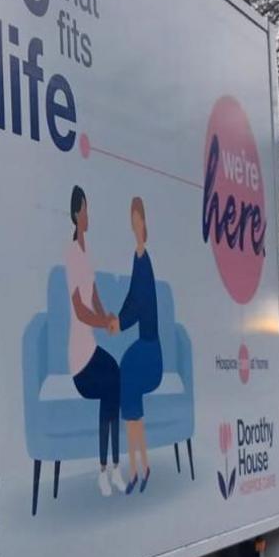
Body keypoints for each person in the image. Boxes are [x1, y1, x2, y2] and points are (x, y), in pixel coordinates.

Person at [64, 186, 126, 497]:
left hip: (91, 347)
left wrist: (108, 317)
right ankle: (104, 470)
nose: (88, 215)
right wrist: (101, 321)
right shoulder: (73, 254)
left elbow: (95, 296)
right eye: (85, 210)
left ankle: (114, 466)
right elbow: (78, 308)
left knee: (115, 377)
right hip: (80, 357)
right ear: (76, 214)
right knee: (109, 384)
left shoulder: (86, 254)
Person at [117, 197, 163, 494]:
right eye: (133, 221)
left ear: (144, 224)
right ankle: (139, 465)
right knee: (127, 388)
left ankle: (140, 465)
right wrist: (117, 321)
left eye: (138, 221)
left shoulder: (144, 260)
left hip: (150, 350)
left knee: (127, 378)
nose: (136, 226)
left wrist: (119, 323)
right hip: (143, 347)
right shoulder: (138, 257)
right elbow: (132, 299)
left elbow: (140, 304)